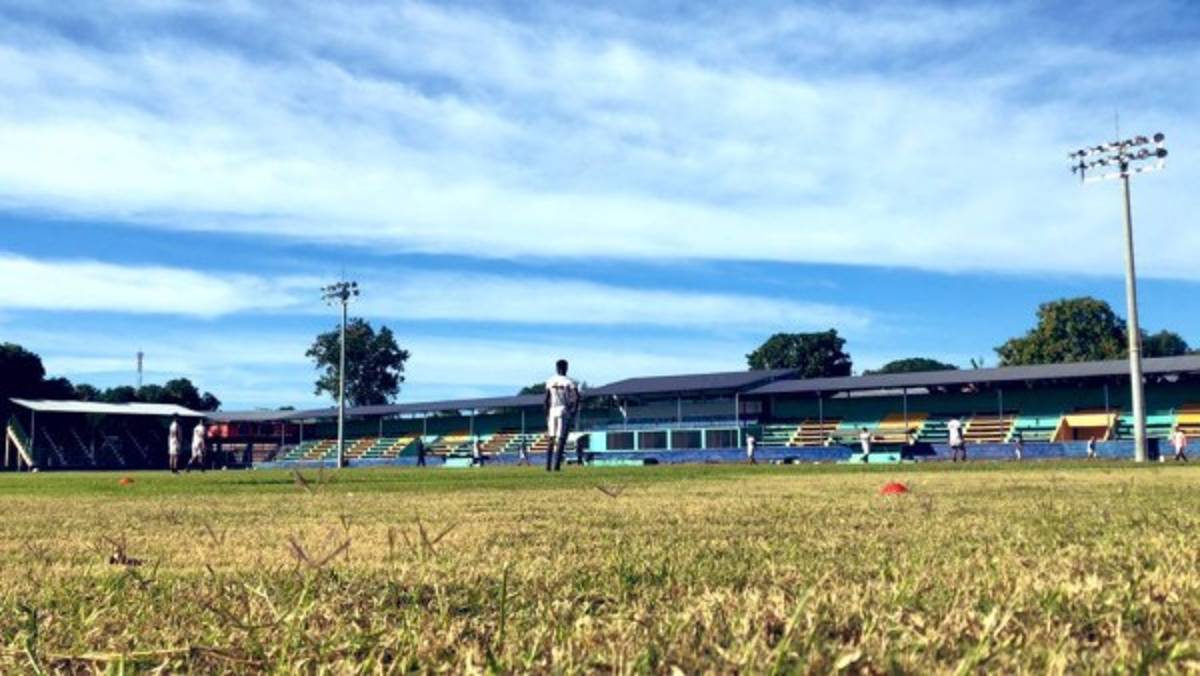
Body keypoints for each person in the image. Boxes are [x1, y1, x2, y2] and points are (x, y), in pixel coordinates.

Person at [544, 359, 580, 472]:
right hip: (563, 409)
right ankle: (556, 466)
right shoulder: (570, 381)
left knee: (551, 438)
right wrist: (573, 411)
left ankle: (548, 466)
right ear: (566, 368)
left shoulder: (550, 381)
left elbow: (546, 399)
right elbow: (577, 397)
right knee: (561, 439)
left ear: (556, 368)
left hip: (552, 410)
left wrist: (547, 413)